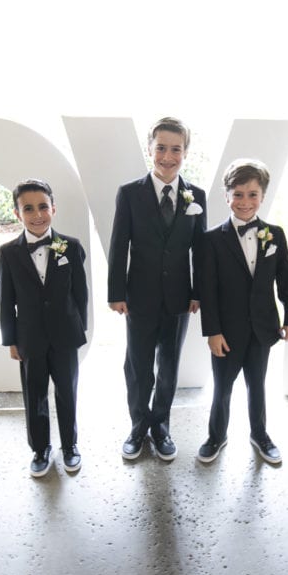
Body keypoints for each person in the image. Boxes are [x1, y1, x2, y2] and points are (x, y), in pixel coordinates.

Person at [108, 117, 207, 461]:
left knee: (169, 365)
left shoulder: (197, 196)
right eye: (161, 148)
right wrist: (116, 292)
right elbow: (119, 245)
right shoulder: (130, 194)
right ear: (150, 149)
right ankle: (138, 426)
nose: (168, 156)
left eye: (175, 149)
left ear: (185, 152)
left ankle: (161, 425)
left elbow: (200, 251)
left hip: (179, 299)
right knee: (137, 365)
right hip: (139, 298)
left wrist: (198, 292)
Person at [196, 159, 288, 465]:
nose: (245, 201)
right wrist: (212, 331)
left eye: (252, 194)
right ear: (226, 196)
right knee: (223, 388)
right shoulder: (211, 240)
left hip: (263, 329)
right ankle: (216, 436)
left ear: (263, 196)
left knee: (258, 385)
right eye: (238, 194)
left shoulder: (275, 235)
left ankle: (260, 435)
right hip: (226, 333)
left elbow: (286, 280)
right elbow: (208, 290)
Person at [0, 179, 88, 477]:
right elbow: (5, 301)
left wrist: (79, 329)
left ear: (53, 208)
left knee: (67, 392)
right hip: (30, 338)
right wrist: (11, 339)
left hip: (64, 337)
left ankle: (70, 445)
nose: (37, 215)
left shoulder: (69, 247)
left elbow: (80, 294)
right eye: (29, 208)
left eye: (43, 207)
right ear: (17, 213)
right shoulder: (7, 254)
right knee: (34, 393)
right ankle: (40, 448)